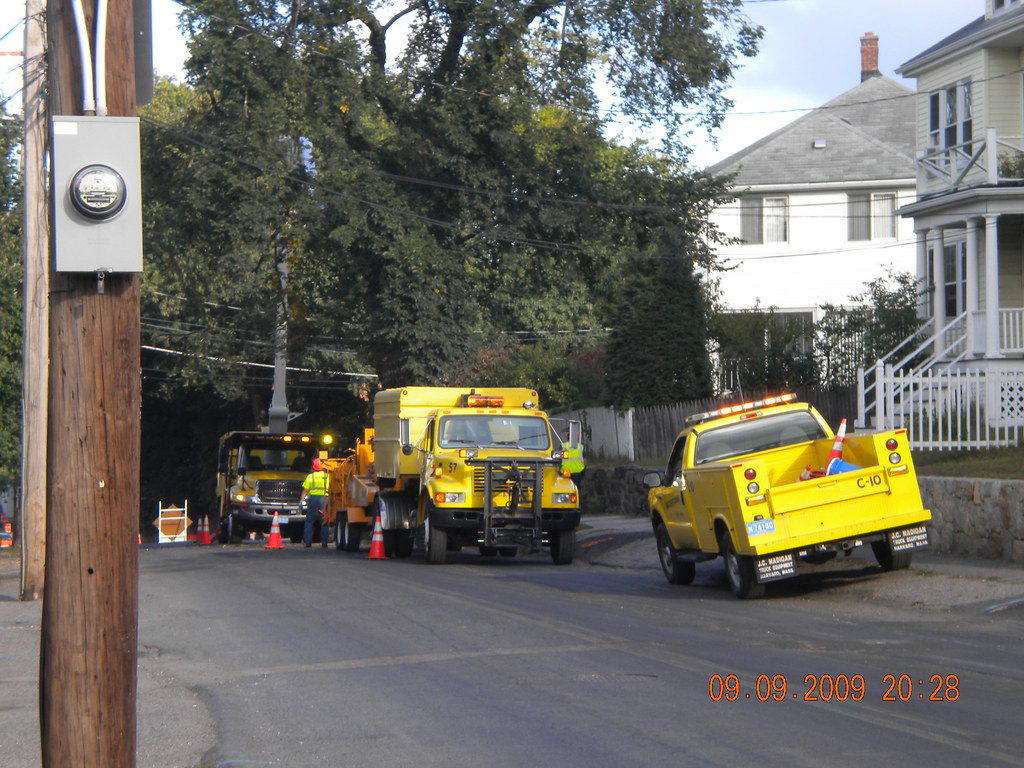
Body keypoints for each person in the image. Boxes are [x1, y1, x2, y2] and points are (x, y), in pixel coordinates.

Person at [300, 457, 330, 548]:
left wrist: (301, 502)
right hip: (325, 499)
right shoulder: (328, 476)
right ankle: (324, 542)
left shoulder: (310, 477)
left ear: (313, 467)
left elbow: (305, 491)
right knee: (324, 520)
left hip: (313, 499)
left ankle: (308, 541)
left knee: (309, 520)